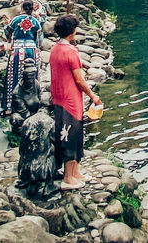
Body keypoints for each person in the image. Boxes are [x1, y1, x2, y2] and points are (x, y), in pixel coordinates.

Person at [49, 14, 102, 190]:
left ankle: (75, 172)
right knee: (71, 136)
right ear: (72, 32)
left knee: (72, 133)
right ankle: (68, 177)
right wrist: (93, 95)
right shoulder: (71, 51)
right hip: (70, 100)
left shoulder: (55, 49)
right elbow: (79, 80)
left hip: (58, 97)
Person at [1, 0, 41, 115]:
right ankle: (32, 103)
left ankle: (10, 105)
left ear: (21, 8)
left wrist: (6, 25)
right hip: (32, 51)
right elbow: (38, 40)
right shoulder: (36, 22)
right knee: (32, 77)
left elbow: (9, 34)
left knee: (13, 76)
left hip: (18, 50)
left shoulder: (15, 20)